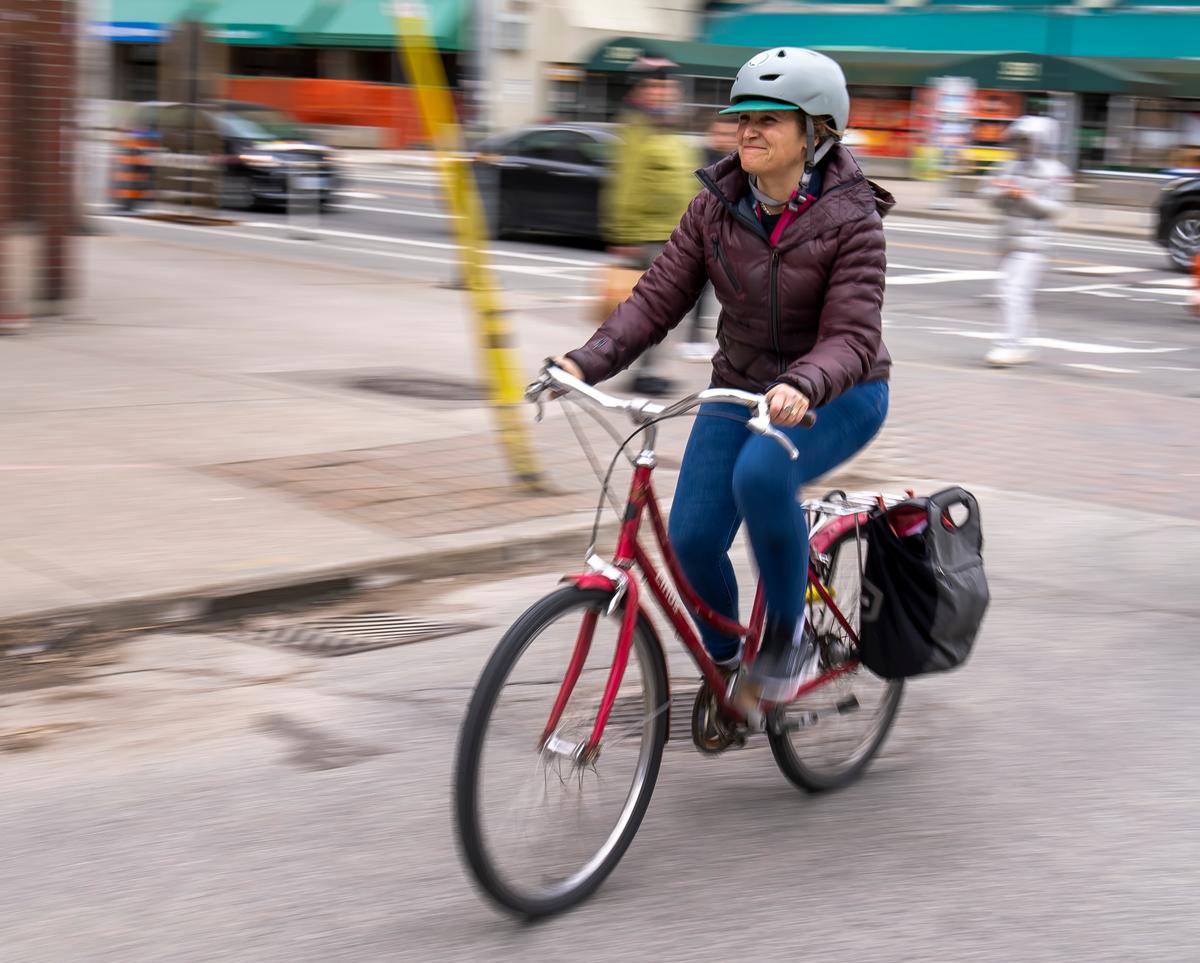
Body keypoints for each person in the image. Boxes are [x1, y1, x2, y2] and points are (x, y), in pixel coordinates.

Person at [554, 47, 894, 703]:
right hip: (739, 385)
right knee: (688, 539)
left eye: (769, 119)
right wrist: (582, 361)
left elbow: (853, 336)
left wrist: (802, 384)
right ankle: (731, 666)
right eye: (742, 118)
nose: (748, 131)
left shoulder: (853, 220)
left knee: (762, 473)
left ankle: (789, 641)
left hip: (840, 391)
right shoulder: (714, 206)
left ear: (816, 131)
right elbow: (655, 301)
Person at [602, 58, 703, 396]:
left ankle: (646, 369)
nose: (664, 93)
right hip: (647, 235)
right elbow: (625, 183)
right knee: (656, 306)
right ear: (642, 91)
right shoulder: (636, 130)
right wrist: (623, 235)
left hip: (674, 234)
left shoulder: (668, 126)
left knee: (667, 307)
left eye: (668, 87)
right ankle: (643, 370)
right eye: (656, 87)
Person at [980, 115, 1070, 366]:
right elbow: (986, 193)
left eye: (1028, 140)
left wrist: (1024, 197)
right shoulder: (1009, 167)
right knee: (1015, 291)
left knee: (1012, 291)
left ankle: (1011, 344)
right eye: (1020, 140)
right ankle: (1024, 341)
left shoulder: (1054, 172)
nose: (1023, 145)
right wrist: (1003, 191)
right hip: (1007, 239)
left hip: (1034, 244)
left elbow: (1056, 208)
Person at [678, 114, 740, 363]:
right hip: (705, 236)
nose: (722, 139)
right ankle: (692, 338)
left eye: (728, 135)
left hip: (728, 238)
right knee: (698, 289)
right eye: (719, 133)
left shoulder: (737, 163)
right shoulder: (701, 160)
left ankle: (705, 339)